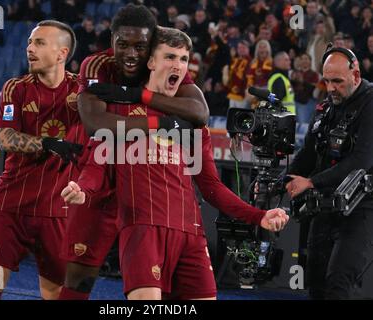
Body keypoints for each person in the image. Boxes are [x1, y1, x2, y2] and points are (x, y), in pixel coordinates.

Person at [62, 26, 289, 300]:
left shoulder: (193, 122)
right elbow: (97, 166)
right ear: (151, 62)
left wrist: (259, 215)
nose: (178, 65)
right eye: (170, 57)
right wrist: (82, 189)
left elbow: (211, 187)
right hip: (143, 230)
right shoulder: (120, 113)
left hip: (191, 236)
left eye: (183, 59)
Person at [57, 4, 210, 300]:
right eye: (122, 44)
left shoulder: (164, 63)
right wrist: (162, 123)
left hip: (144, 186)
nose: (130, 54)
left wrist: (135, 95)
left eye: (140, 46)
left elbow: (199, 112)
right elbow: (96, 125)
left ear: (151, 46)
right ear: (111, 40)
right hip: (100, 173)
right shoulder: (96, 66)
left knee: (156, 288)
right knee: (79, 279)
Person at [0, 20, 84, 300]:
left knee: (54, 291)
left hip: (56, 211)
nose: (29, 49)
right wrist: (48, 143)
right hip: (12, 206)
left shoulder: (82, 93)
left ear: (62, 53)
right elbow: (6, 138)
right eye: (29, 43)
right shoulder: (16, 88)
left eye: (39, 43)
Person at [285, 46, 373, 299]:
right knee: (315, 282)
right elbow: (309, 153)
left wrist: (311, 182)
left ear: (355, 76)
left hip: (362, 207)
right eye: (326, 80)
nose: (331, 88)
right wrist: (285, 180)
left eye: (337, 81)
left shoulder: (370, 103)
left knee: (338, 281)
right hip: (324, 206)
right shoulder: (326, 107)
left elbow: (361, 161)